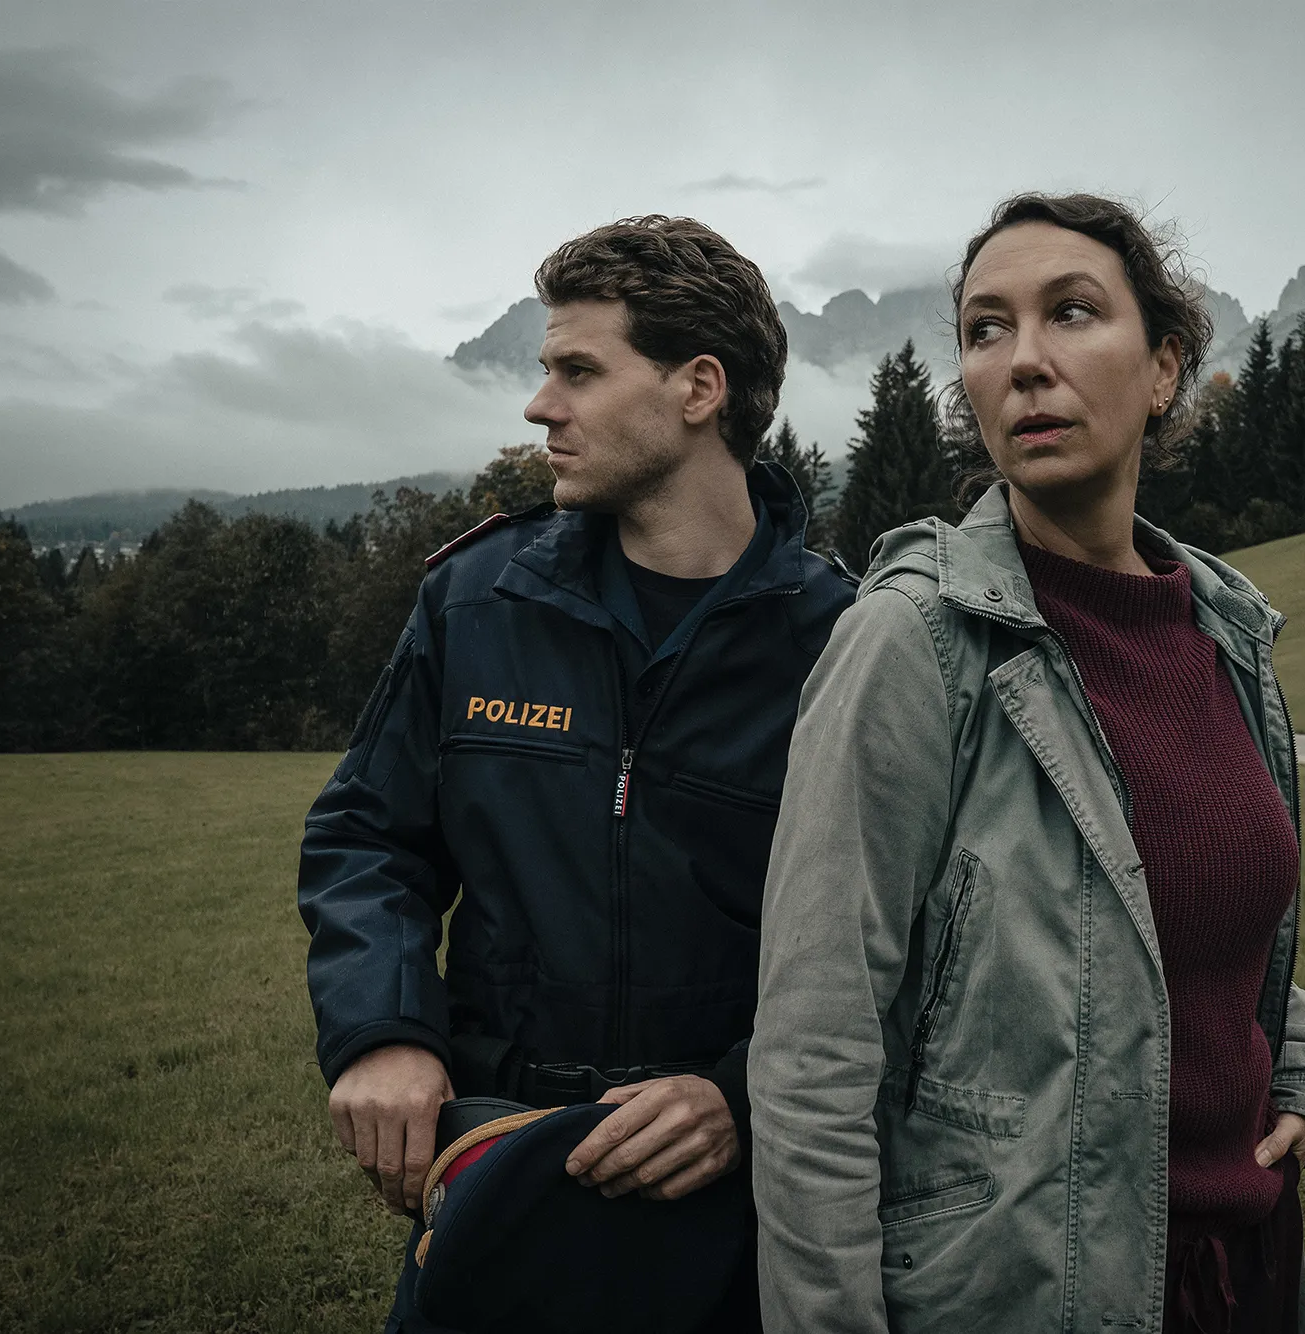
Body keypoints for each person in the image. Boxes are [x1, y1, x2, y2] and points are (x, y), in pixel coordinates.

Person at [748, 193, 1305, 1334]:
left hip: (1241, 1266)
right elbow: (812, 1052)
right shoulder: (912, 641)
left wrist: (1303, 1067)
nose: (1023, 360)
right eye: (986, 328)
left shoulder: (1222, 629)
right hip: (1025, 1285)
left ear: (1163, 368)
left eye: (1070, 312)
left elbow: (1197, 921)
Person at [298, 215, 854, 1333]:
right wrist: (386, 1028)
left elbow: (902, 936)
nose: (538, 405)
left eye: (577, 371)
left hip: (735, 1211)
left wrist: (743, 1094)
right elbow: (368, 836)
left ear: (698, 388)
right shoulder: (478, 599)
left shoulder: (845, 642)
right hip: (505, 1163)